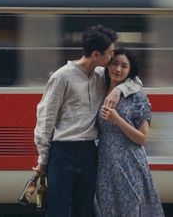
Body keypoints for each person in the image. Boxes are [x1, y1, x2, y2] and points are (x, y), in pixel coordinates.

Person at [33, 25, 142, 217]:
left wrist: (119, 90)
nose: (112, 58)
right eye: (109, 54)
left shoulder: (102, 76)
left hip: (89, 151)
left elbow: (135, 81)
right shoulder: (62, 77)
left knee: (84, 209)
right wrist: (43, 158)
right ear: (95, 54)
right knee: (58, 208)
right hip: (63, 151)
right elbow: (46, 118)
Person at [95, 48, 165, 217]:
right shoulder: (99, 91)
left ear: (130, 71)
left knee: (131, 211)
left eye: (124, 66)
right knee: (106, 211)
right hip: (105, 165)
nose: (118, 69)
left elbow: (142, 138)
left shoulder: (137, 97)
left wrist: (117, 119)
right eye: (114, 63)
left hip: (130, 165)